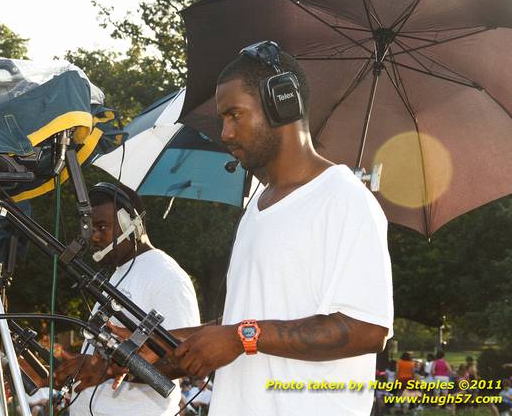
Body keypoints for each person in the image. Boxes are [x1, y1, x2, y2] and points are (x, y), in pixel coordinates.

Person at [140, 41, 393, 415]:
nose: (224, 133)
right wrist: (160, 343)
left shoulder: (344, 199)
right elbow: (244, 319)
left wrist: (243, 337)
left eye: (234, 115)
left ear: (282, 104)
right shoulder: (256, 208)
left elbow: (368, 329)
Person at [54, 182, 200, 416]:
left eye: (102, 227)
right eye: (91, 228)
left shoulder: (168, 276)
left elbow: (184, 359)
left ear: (131, 224)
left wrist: (107, 370)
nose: (94, 236)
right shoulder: (118, 273)